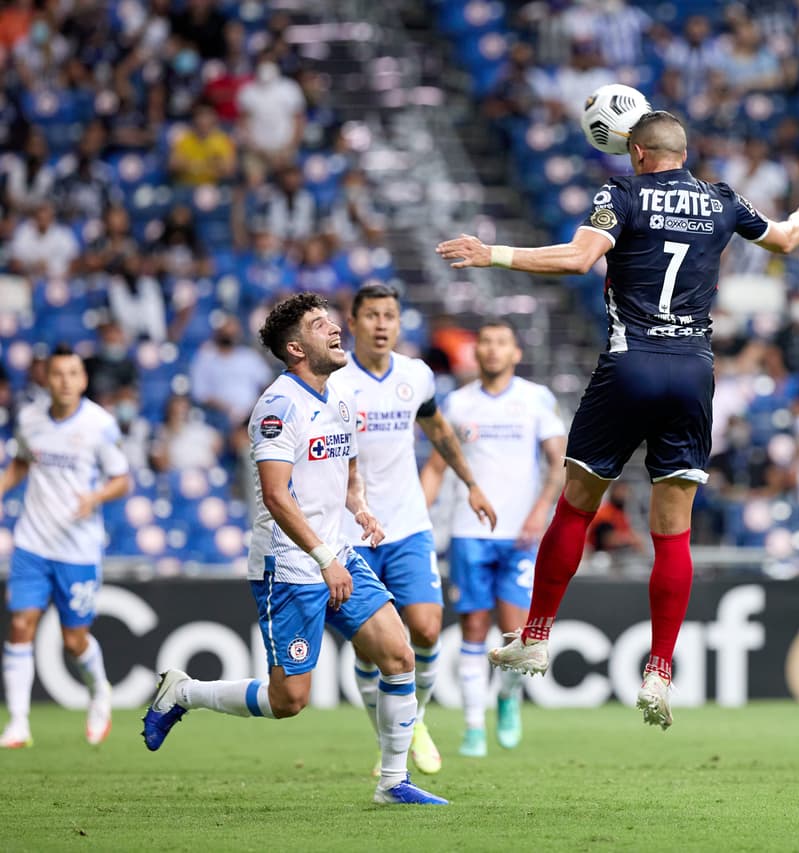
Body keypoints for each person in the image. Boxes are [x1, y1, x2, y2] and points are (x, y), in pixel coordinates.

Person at [436, 110, 799, 729]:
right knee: (673, 533)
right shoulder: (722, 200)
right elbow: (782, 240)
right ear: (682, 153)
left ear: (638, 153)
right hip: (692, 373)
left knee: (576, 507)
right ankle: (660, 669)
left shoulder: (621, 194)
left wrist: (493, 254)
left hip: (631, 364)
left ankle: (536, 636)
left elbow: (577, 259)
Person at [140, 293, 447, 806]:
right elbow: (276, 495)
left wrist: (359, 507)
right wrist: (324, 559)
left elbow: (348, 468)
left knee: (398, 654)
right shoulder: (278, 407)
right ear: (296, 348)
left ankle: (393, 783)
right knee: (289, 700)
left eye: (331, 320)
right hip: (288, 567)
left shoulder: (340, 396)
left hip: (337, 552)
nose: (335, 329)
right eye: (319, 325)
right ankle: (185, 692)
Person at [332, 284, 497, 776]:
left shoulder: (416, 375)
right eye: (372, 315)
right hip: (351, 531)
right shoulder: (334, 381)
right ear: (353, 322)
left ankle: (415, 720)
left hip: (407, 524)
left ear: (399, 323)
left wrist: (471, 483)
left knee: (425, 629)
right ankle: (391, 738)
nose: (382, 324)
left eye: (390, 315)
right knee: (371, 648)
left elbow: (438, 429)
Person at [421, 318, 566, 758]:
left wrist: (541, 510)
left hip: (521, 532)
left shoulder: (535, 398)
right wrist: (418, 513)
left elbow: (559, 460)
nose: (492, 349)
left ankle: (507, 698)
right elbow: (437, 465)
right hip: (469, 530)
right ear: (477, 351)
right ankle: (472, 727)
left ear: (515, 353)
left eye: (502, 342)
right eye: (485, 342)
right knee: (472, 627)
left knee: (516, 633)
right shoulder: (458, 403)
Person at [0, 345, 131, 748]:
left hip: (77, 549)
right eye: (58, 374)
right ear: (47, 379)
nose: (65, 382)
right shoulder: (30, 419)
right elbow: (22, 461)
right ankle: (18, 723)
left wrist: (95, 498)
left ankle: (99, 691)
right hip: (32, 542)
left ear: (83, 379)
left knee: (74, 640)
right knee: (20, 625)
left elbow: (122, 480)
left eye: (73, 374)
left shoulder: (99, 425)